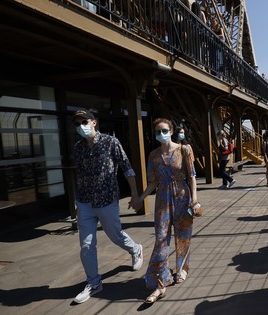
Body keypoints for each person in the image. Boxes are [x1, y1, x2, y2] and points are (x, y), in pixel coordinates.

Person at [71, 109, 143, 304]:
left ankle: (135, 249)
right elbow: (80, 175)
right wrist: (76, 202)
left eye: (84, 121)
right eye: (77, 124)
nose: (81, 126)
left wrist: (135, 195)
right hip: (85, 202)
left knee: (115, 235)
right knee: (86, 245)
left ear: (94, 122)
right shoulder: (78, 147)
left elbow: (127, 167)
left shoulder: (111, 142)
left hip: (107, 199)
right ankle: (94, 282)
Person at [132, 118, 200, 303]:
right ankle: (161, 277)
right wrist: (140, 197)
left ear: (171, 131)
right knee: (161, 238)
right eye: (157, 131)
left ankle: (181, 269)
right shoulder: (153, 155)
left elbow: (192, 176)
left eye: (163, 130)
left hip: (182, 195)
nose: (160, 134)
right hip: (162, 198)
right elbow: (153, 181)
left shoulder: (184, 150)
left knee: (183, 235)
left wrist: (194, 200)